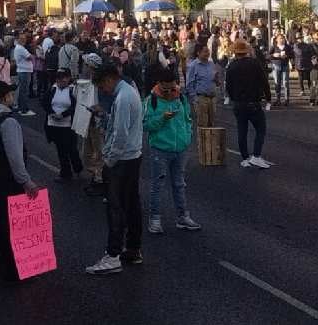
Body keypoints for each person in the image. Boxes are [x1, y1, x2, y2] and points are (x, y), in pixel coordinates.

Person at [0, 81, 42, 282]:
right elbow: (15, 156)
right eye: (10, 94)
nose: (12, 97)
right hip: (8, 179)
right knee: (12, 225)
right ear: (4, 97)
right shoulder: (8, 121)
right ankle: (13, 270)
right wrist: (26, 181)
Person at [85, 64, 145, 275]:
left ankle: (112, 255)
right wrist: (105, 116)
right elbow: (121, 124)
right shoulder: (128, 92)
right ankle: (133, 248)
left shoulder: (123, 97)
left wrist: (109, 160)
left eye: (102, 86)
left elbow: (120, 134)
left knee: (115, 207)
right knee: (131, 204)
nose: (103, 91)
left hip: (122, 160)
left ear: (109, 79)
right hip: (132, 156)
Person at [144, 66, 201, 235]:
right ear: (159, 84)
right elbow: (145, 124)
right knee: (157, 185)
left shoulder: (181, 97)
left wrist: (188, 136)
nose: (169, 92)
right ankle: (154, 218)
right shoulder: (151, 100)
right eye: (165, 89)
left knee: (179, 184)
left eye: (172, 88)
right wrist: (162, 118)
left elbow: (188, 119)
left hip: (180, 149)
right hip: (160, 149)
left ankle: (183, 216)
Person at [225, 40, 272, 169]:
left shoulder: (232, 66)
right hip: (253, 102)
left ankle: (245, 158)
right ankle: (256, 156)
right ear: (246, 51)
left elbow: (228, 86)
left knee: (242, 130)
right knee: (260, 129)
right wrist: (268, 97)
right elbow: (264, 81)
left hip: (238, 103)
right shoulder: (254, 63)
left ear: (235, 53)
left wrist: (234, 98)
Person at [42, 69, 83, 181]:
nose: (61, 80)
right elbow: (44, 102)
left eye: (64, 78)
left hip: (68, 125)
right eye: (59, 78)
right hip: (54, 124)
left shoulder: (73, 90)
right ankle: (65, 173)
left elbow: (76, 106)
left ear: (69, 78)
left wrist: (63, 114)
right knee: (61, 150)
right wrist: (52, 113)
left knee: (71, 149)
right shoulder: (52, 89)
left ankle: (77, 168)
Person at [185, 43, 220, 128]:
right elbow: (189, 84)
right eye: (205, 51)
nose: (208, 53)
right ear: (198, 53)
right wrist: (195, 98)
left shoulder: (211, 64)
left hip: (212, 98)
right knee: (203, 125)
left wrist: (216, 80)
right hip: (201, 98)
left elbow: (215, 81)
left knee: (212, 125)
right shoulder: (193, 66)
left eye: (208, 51)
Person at [12, 32, 35, 116]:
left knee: (22, 90)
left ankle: (21, 108)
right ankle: (24, 109)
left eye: (24, 38)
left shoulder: (19, 48)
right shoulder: (21, 48)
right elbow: (30, 57)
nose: (24, 40)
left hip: (23, 71)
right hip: (24, 71)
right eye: (21, 39)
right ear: (18, 39)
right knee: (24, 91)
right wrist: (31, 56)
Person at [268, 34, 293, 107]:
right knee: (277, 83)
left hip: (285, 66)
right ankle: (277, 99)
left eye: (283, 38)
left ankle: (286, 99)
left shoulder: (287, 47)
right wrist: (274, 55)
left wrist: (287, 56)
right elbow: (268, 56)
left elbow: (292, 55)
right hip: (276, 66)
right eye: (280, 38)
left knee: (286, 83)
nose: (282, 40)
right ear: (277, 40)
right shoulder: (274, 47)